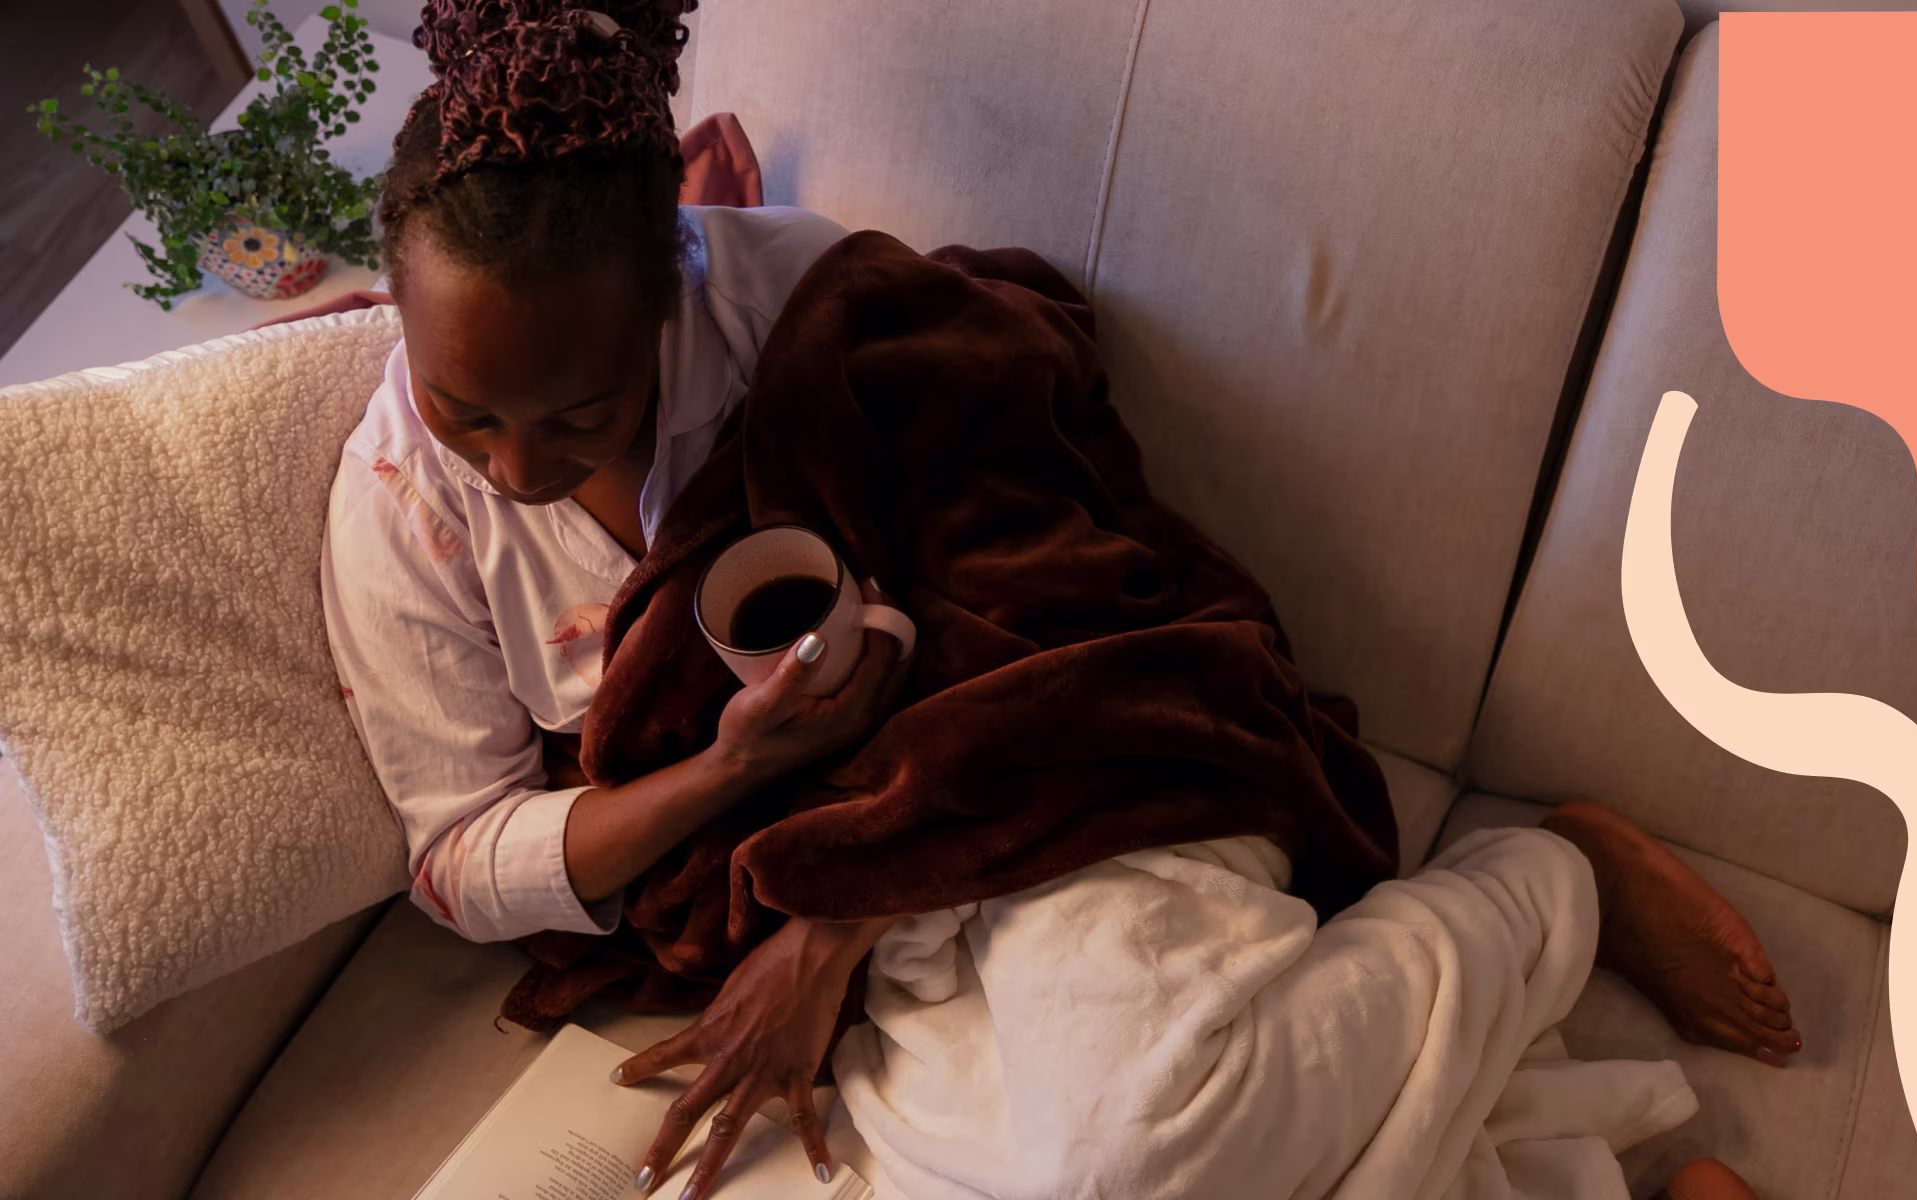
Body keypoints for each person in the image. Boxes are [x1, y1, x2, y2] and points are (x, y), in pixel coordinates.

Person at [318, 4, 1800, 1198]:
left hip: (1063, 776)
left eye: (577, 416)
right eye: (464, 411)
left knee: (1131, 1157)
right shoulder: (401, 511)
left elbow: (1056, 593)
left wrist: (847, 908)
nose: (514, 467)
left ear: (669, 284)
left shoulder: (838, 317)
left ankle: (1547, 890)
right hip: (828, 881)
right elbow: (458, 855)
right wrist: (739, 769)